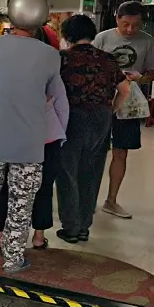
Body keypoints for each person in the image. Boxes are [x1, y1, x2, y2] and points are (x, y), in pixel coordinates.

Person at [0, 8, 64, 273]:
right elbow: (50, 95)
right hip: (30, 142)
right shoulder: (51, 55)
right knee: (20, 205)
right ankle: (13, 260)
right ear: (41, 20)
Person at [0, 26, 69, 251]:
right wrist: (58, 135)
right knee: (43, 189)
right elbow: (62, 107)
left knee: (4, 187)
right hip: (45, 139)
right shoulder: (49, 67)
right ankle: (38, 236)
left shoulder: (2, 67)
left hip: (8, 138)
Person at [56, 15, 130, 243]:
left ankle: (70, 228)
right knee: (91, 171)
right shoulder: (107, 59)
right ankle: (84, 226)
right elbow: (125, 89)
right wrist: (111, 110)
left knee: (68, 171)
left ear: (68, 36)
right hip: (101, 117)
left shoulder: (63, 59)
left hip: (71, 116)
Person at [94, 1, 154, 219]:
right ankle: (87, 199)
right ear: (117, 20)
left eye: (135, 25)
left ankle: (111, 200)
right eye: (125, 25)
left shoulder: (147, 40)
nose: (131, 30)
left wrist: (141, 78)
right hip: (101, 102)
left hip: (128, 105)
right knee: (93, 151)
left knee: (121, 151)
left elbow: (152, 73)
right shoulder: (103, 38)